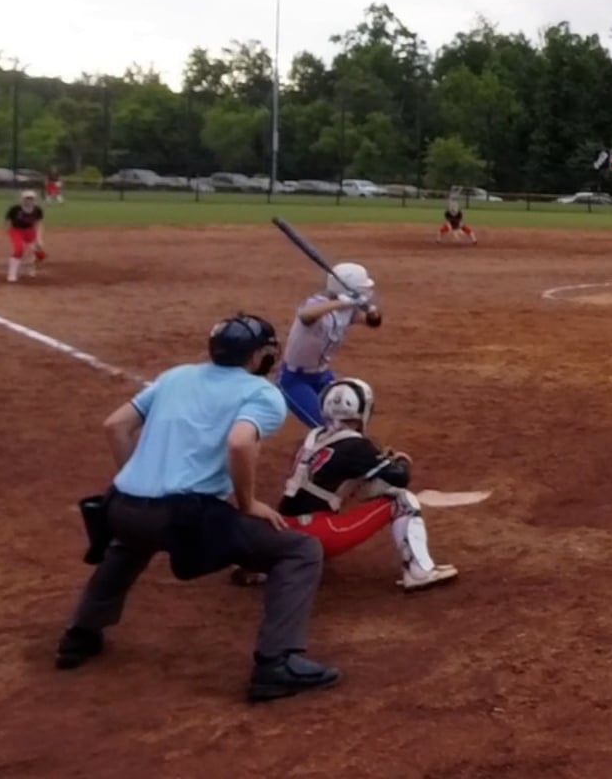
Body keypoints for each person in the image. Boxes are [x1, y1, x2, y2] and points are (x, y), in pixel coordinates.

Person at [53, 314, 340, 703]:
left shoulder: (176, 376)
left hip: (118, 507)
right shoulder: (261, 393)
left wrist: (140, 480)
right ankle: (277, 663)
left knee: (131, 542)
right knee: (300, 551)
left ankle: (80, 635)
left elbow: (115, 426)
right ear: (257, 356)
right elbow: (240, 443)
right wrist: (248, 503)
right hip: (183, 516)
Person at [274, 378, 458, 591]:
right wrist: (400, 461)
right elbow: (398, 477)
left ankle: (279, 562)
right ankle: (419, 572)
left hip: (282, 532)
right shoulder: (356, 445)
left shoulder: (312, 437)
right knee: (402, 500)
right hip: (319, 533)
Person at [278, 264, 382, 429]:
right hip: (294, 379)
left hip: (322, 375)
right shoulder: (316, 304)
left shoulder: (349, 310)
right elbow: (306, 315)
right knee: (326, 427)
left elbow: (373, 322)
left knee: (348, 417)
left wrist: (372, 312)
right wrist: (342, 302)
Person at [5, 189, 46, 283]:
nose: (29, 200)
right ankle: (12, 274)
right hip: (16, 231)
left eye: (31, 199)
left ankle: (30, 268)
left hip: (30, 231)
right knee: (19, 249)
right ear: (22, 199)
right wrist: (5, 231)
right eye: (27, 198)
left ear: (34, 200)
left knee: (39, 253)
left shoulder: (37, 210)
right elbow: (7, 220)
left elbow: (39, 224)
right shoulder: (15, 209)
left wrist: (39, 238)